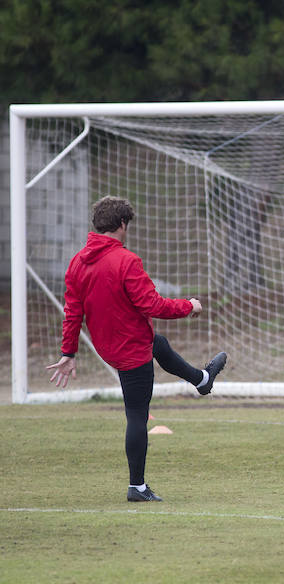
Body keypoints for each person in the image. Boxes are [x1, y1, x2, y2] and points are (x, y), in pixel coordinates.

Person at [45, 196, 228, 502]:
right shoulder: (126, 261)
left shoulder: (77, 261)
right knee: (137, 415)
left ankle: (201, 380)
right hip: (129, 348)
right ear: (122, 225)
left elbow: (73, 311)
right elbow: (152, 304)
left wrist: (69, 352)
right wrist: (189, 306)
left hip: (110, 343)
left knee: (158, 343)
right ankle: (137, 487)